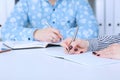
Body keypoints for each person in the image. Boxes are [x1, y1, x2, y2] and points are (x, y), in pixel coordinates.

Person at [1, 0, 98, 42]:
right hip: (33, 58)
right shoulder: (26, 1)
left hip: (68, 55)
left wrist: (55, 35)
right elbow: (5, 31)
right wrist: (36, 34)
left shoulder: (79, 1)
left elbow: (92, 32)